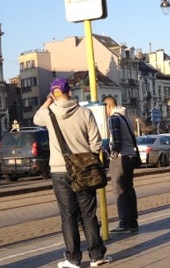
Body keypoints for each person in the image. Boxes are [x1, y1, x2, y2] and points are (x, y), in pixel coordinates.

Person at [33, 78, 111, 268]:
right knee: (88, 212)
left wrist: (49, 101)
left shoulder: (49, 113)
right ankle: (96, 255)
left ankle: (73, 259)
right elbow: (96, 143)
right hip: (84, 169)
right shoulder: (85, 113)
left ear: (53, 94)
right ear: (70, 91)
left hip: (60, 171)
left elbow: (36, 118)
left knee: (68, 215)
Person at [103, 96, 139, 233]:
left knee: (119, 190)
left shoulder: (113, 118)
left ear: (109, 106)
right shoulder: (126, 117)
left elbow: (117, 142)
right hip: (130, 155)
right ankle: (133, 220)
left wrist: (111, 157)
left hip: (121, 158)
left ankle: (124, 222)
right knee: (129, 188)